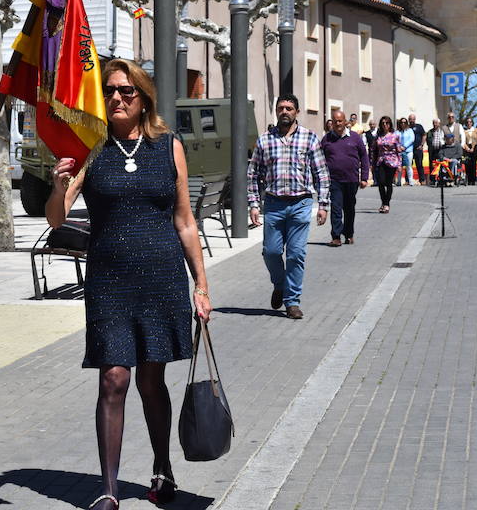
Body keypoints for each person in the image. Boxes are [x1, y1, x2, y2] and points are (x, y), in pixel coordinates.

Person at [45, 59, 212, 510]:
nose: (117, 99)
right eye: (110, 92)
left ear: (144, 98)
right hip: (110, 282)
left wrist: (201, 284)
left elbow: (185, 221)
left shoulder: (168, 145)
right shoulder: (91, 147)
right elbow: (56, 218)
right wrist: (59, 185)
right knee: (114, 378)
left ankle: (162, 466)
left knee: (151, 380)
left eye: (126, 91)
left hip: (161, 279)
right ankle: (108, 489)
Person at [247, 93, 330, 320]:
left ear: (297, 112)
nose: (285, 111)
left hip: (301, 203)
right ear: (276, 111)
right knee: (271, 252)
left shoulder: (309, 138)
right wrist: (254, 204)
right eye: (281, 108)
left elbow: (321, 173)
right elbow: (253, 174)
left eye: (289, 108)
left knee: (296, 254)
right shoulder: (265, 140)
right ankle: (280, 284)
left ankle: (292, 301)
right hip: (273, 204)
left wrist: (323, 204)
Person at [320, 110, 369, 246]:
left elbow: (364, 157)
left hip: (351, 179)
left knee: (349, 209)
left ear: (345, 122)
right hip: (334, 180)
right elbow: (319, 159)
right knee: (336, 208)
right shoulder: (326, 139)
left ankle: (349, 234)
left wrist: (364, 177)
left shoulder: (355, 138)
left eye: (340, 121)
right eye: (335, 121)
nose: (338, 123)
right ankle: (336, 236)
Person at [373, 116, 402, 213]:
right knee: (380, 182)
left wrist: (399, 164)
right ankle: (383, 202)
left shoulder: (394, 136)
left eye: (387, 123)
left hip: (392, 162)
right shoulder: (378, 136)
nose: (385, 125)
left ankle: (386, 204)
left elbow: (398, 151)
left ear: (390, 125)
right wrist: (372, 163)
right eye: (383, 123)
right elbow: (374, 150)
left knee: (389, 183)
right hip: (381, 161)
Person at [395, 117, 414, 186]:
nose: (403, 124)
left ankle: (411, 181)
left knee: (408, 166)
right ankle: (399, 181)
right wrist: (399, 147)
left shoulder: (410, 130)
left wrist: (404, 146)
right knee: (399, 166)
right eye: (401, 122)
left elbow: (412, 139)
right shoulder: (397, 132)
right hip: (399, 151)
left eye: (404, 122)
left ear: (406, 123)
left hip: (408, 151)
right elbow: (395, 140)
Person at [408, 113, 426, 184]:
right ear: (409, 120)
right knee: (409, 165)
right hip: (409, 149)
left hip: (418, 149)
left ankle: (422, 180)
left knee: (419, 164)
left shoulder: (419, 126)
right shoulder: (407, 127)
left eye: (413, 119)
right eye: (410, 119)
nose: (411, 120)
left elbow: (424, 135)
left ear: (415, 119)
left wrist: (421, 145)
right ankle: (408, 180)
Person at [462, 117, 477, 185]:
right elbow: (463, 141)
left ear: (472, 123)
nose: (469, 123)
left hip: (474, 148)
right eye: (467, 122)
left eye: (470, 122)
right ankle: (468, 180)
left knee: (473, 164)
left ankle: (473, 180)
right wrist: (467, 148)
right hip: (467, 148)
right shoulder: (464, 131)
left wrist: (473, 148)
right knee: (467, 165)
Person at [426, 118, 444, 184]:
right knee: (431, 165)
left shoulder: (442, 131)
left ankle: (440, 179)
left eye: (436, 123)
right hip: (432, 151)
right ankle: (432, 180)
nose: (435, 124)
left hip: (440, 150)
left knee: (440, 164)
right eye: (434, 123)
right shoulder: (430, 132)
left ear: (439, 124)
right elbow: (428, 140)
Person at [363, 118, 378, 185]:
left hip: (379, 151)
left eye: (373, 124)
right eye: (371, 124)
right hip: (371, 152)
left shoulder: (379, 132)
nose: (372, 125)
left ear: (376, 124)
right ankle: (375, 180)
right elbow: (364, 143)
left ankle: (380, 180)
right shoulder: (366, 134)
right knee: (373, 166)